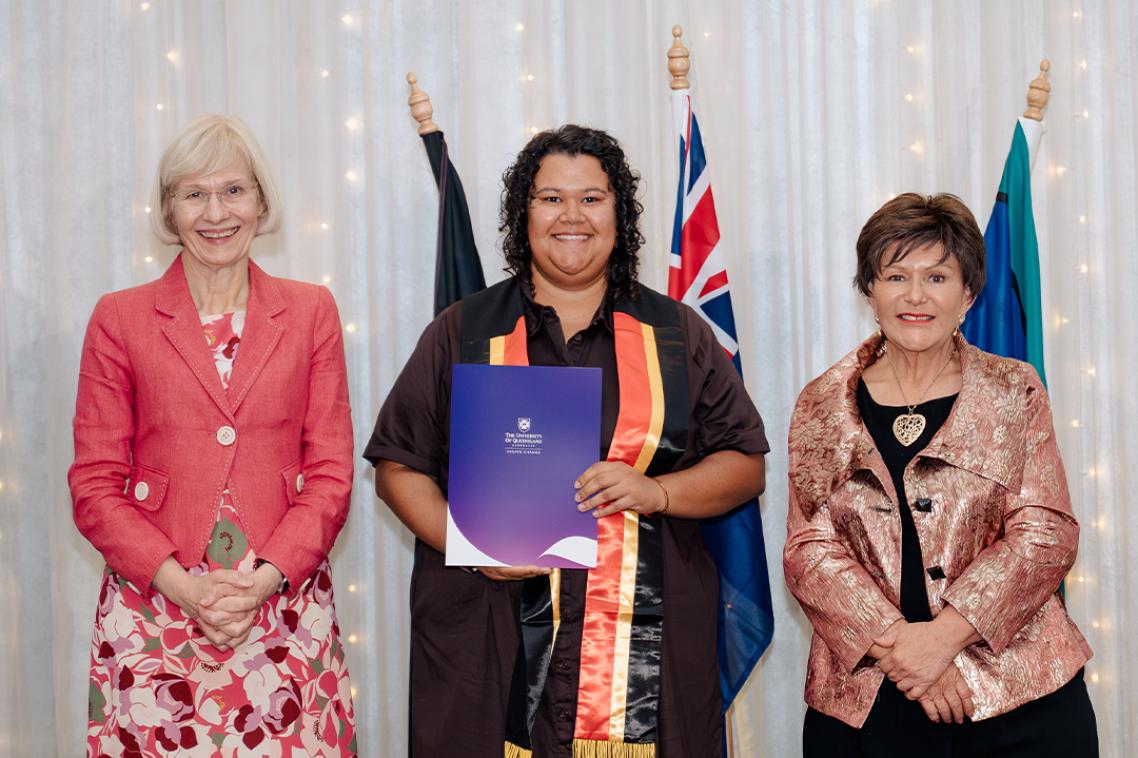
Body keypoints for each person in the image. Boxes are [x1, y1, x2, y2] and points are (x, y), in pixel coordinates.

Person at [365, 124, 768, 757]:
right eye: (550, 198)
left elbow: (745, 464)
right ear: (522, 212)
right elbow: (398, 465)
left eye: (592, 198)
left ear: (619, 212)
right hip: (488, 638)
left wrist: (657, 490)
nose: (571, 217)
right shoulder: (463, 331)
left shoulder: (675, 333)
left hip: (647, 649)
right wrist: (470, 546)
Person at [69, 114, 357, 756]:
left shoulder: (312, 311)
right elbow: (94, 486)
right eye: (193, 193)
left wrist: (261, 582)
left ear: (260, 201)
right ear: (169, 210)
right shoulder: (118, 318)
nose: (215, 211)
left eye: (233, 190)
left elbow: (333, 473)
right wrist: (187, 589)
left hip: (281, 601)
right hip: (156, 609)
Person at [783, 192, 1097, 757]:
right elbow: (808, 550)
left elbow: (1046, 531)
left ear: (967, 294)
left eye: (936, 277)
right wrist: (904, 648)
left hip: (1020, 696)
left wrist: (942, 640)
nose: (915, 296)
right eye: (896, 275)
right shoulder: (822, 402)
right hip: (868, 701)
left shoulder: (1013, 389)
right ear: (869, 291)